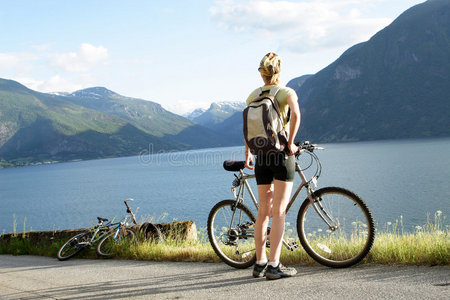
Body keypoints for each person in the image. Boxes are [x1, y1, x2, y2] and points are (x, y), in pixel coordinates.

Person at [244, 52, 301, 280]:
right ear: (279, 71)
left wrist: (247, 153)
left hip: (261, 158)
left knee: (263, 212)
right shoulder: (286, 92)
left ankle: (259, 264)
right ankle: (275, 266)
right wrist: (291, 143)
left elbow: (249, 127)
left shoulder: (252, 96)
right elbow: (296, 115)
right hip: (280, 155)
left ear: (262, 72)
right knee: (279, 212)